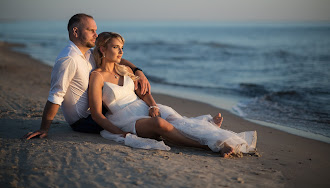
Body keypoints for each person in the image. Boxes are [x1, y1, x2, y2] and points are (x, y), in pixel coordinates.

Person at [89, 32, 257, 157]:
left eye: (122, 48)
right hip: (123, 117)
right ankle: (210, 146)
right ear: (103, 49)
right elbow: (96, 114)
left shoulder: (124, 69)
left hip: (143, 107)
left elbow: (143, 92)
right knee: (160, 124)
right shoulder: (97, 76)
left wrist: (153, 105)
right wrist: (121, 133)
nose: (121, 52)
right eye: (115, 47)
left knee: (178, 121)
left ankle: (207, 127)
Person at [24, 13, 150, 140]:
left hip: (99, 111)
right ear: (76, 31)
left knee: (136, 103)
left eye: (95, 31)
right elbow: (56, 95)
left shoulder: (89, 54)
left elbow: (117, 59)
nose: (96, 35)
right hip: (85, 121)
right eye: (91, 31)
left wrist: (138, 71)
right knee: (137, 121)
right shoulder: (69, 59)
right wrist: (44, 128)